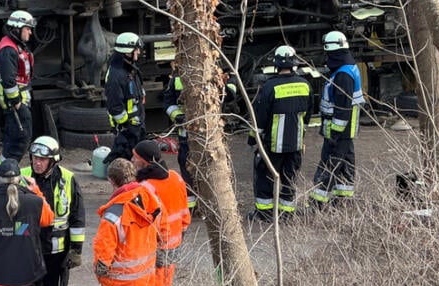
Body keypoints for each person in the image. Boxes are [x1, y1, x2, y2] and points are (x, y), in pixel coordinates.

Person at [10, 136, 85, 286]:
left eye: (42, 159)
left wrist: (76, 250)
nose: (37, 163)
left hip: (57, 254)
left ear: (53, 161)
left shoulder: (69, 179)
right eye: (34, 158)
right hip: (28, 252)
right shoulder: (21, 177)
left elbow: (77, 218)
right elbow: (10, 215)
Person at [93, 159, 162, 286]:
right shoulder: (150, 201)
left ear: (111, 181)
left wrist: (101, 271)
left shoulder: (114, 213)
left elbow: (104, 249)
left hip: (122, 284)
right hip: (146, 277)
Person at [132, 140, 190, 286]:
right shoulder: (175, 177)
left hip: (155, 249)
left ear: (144, 161)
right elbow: (185, 213)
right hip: (173, 245)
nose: (132, 161)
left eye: (135, 158)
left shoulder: (146, 187)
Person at [247, 45, 314, 221]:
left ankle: (265, 213)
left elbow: (260, 118)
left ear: (276, 65)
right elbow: (308, 115)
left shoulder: (270, 87)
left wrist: (252, 139)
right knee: (289, 178)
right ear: (294, 64)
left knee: (264, 177)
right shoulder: (305, 85)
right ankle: (287, 214)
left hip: (273, 145)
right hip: (296, 145)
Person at [161, 67, 238, 211]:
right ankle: (191, 206)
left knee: (212, 169)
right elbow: (168, 104)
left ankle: (214, 205)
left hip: (210, 134)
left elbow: (230, 95)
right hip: (187, 134)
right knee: (187, 170)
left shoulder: (214, 71)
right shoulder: (177, 77)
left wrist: (227, 81)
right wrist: (179, 116)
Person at [310, 31, 365, 209]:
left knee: (330, 161)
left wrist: (334, 132)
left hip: (340, 130)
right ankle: (343, 198)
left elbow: (342, 109)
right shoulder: (348, 68)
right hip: (347, 129)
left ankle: (318, 201)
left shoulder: (342, 75)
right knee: (346, 161)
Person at [0, 10, 36, 174]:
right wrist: (17, 102)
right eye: (28, 28)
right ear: (17, 28)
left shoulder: (13, 46)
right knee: (21, 138)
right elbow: (9, 81)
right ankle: (7, 172)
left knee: (14, 139)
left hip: (19, 100)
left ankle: (0, 170)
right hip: (15, 103)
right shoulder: (8, 50)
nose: (30, 32)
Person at [103, 33, 146, 166]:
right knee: (126, 165)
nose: (138, 52)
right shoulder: (116, 76)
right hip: (128, 131)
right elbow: (115, 107)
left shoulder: (129, 68)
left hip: (137, 126)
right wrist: (126, 124)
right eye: (136, 49)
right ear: (127, 52)